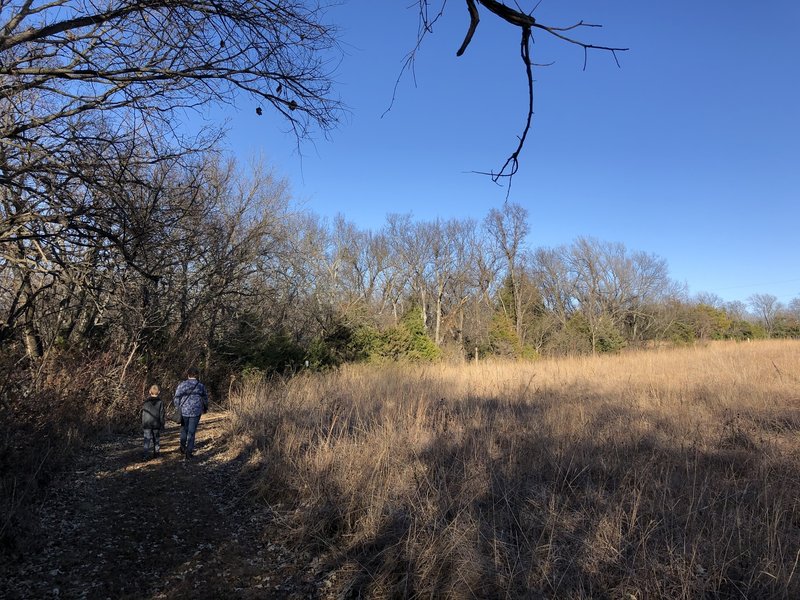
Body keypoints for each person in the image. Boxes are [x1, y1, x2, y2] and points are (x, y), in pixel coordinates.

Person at [174, 367, 208, 460]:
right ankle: (189, 452)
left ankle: (182, 447)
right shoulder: (200, 386)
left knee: (184, 430)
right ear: (196, 375)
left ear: (188, 374)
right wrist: (205, 408)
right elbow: (205, 398)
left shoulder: (182, 385)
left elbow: (177, 397)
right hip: (196, 411)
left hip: (184, 411)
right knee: (192, 432)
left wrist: (178, 407)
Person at [142, 384, 165, 460]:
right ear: (158, 392)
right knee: (156, 439)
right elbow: (161, 414)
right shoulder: (160, 402)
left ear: (149, 392)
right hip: (156, 423)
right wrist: (162, 423)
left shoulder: (146, 402)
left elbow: (144, 413)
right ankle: (156, 454)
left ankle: (145, 455)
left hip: (147, 423)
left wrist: (143, 423)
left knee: (146, 439)